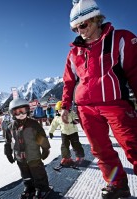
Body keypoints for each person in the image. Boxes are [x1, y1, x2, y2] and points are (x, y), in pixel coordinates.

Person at [61, 1, 137, 198]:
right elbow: (69, 82)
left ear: (95, 19)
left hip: (115, 104)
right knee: (100, 150)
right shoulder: (74, 52)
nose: (80, 31)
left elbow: (135, 72)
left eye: (83, 25)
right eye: (76, 28)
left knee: (133, 143)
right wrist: (65, 106)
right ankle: (117, 184)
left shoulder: (120, 39)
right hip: (86, 109)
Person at [4, 98, 51, 199]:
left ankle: (42, 188)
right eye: (17, 112)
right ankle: (29, 187)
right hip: (20, 158)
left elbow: (41, 138)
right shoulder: (10, 127)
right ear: (12, 113)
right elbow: (8, 141)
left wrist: (46, 149)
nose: (21, 114)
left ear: (28, 110)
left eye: (23, 110)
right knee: (25, 175)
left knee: (38, 174)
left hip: (33, 156)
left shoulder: (33, 124)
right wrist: (8, 152)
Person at [47, 101, 85, 166]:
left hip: (73, 132)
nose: (61, 112)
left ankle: (80, 156)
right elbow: (53, 125)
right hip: (64, 133)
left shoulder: (71, 114)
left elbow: (77, 117)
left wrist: (76, 120)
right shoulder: (57, 118)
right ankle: (66, 158)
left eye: (62, 110)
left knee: (76, 144)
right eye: (59, 110)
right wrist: (50, 132)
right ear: (57, 111)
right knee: (64, 146)